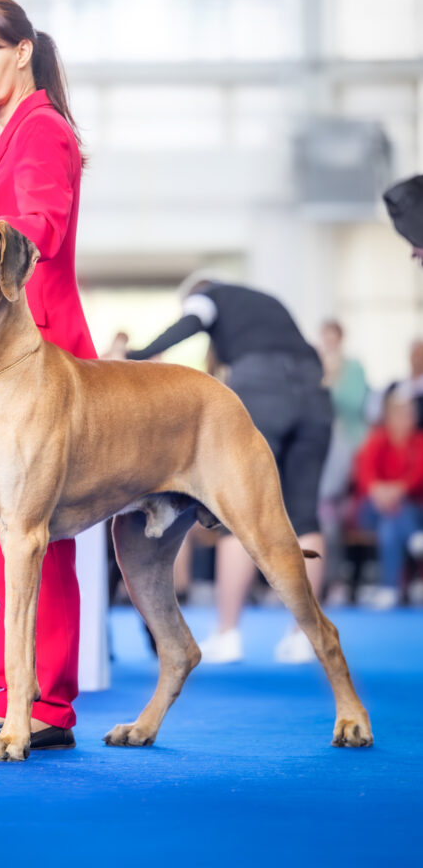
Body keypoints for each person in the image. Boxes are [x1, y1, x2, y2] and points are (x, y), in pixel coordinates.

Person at [0, 0, 96, 750]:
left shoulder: (39, 130)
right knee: (7, 546)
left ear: (23, 51)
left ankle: (46, 706)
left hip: (40, 355)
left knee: (37, 543)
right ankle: (14, 697)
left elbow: (40, 229)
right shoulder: (5, 137)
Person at [123, 278, 332, 663]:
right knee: (305, 514)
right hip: (316, 396)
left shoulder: (207, 295)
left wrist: (138, 354)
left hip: (263, 389)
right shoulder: (265, 300)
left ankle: (228, 633)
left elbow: (192, 321)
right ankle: (305, 638)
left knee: (239, 509)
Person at [355, 385, 423, 609]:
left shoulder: (419, 441)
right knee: (395, 513)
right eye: (401, 412)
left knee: (391, 523)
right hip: (373, 507)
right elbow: (365, 473)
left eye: (410, 413)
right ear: (390, 415)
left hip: (407, 508)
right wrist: (380, 491)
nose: (406, 417)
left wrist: (398, 490)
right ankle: (414, 537)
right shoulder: (377, 439)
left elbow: (418, 476)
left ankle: (389, 589)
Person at [317, 319, 369, 599]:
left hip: (346, 445)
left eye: (332, 337)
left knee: (330, 512)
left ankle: (335, 579)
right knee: (324, 516)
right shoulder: (314, 365)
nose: (328, 342)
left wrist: (330, 382)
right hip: (318, 444)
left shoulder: (353, 368)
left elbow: (354, 403)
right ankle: (320, 580)